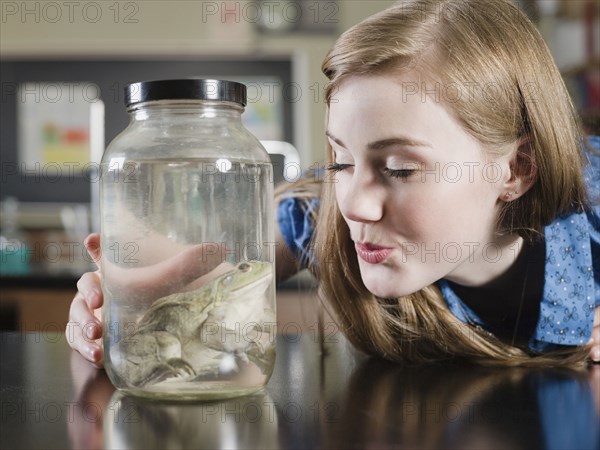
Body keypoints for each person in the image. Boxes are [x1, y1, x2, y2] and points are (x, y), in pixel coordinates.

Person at [67, 0, 600, 367]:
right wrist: (123, 295)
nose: (354, 205)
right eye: (342, 162)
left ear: (516, 169)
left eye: (400, 169)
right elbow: (207, 273)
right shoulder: (320, 218)